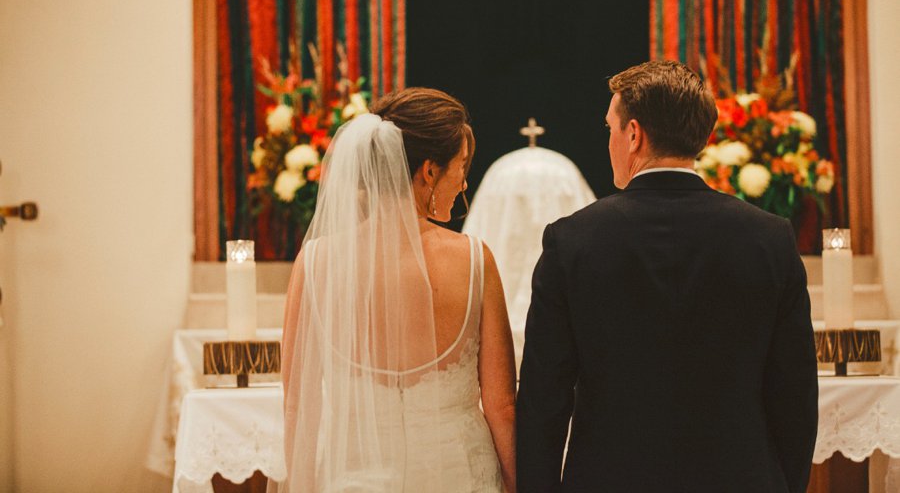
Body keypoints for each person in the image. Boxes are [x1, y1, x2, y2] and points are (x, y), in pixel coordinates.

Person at [516, 60, 818, 492]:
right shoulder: (769, 239)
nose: (610, 142)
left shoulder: (572, 241)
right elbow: (795, 395)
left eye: (610, 130)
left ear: (634, 134)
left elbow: (544, 399)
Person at [279, 88, 517, 492]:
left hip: (353, 479)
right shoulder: (474, 260)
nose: (463, 183)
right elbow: (501, 407)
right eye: (461, 166)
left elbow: (299, 407)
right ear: (428, 171)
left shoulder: (316, 262)